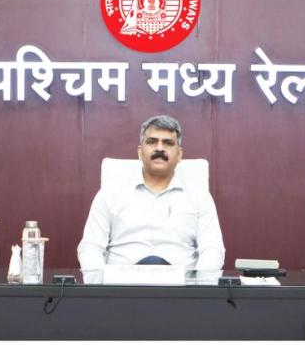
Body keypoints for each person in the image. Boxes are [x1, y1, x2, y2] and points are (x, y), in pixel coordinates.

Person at [77, 115, 225, 273]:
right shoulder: (110, 194)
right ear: (140, 152)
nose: (159, 148)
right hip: (121, 285)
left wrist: (199, 285)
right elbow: (91, 246)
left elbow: (213, 250)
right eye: (152, 142)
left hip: (181, 285)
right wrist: (101, 285)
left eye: (168, 143)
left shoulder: (199, 197)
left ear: (179, 155)